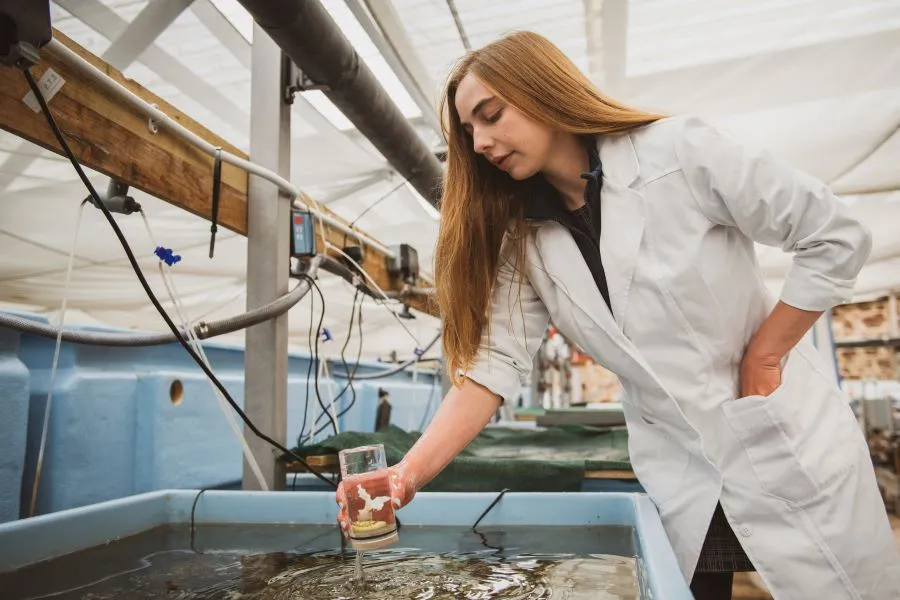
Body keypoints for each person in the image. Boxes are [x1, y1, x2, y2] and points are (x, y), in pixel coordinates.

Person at [336, 31, 900, 599]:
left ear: (543, 91)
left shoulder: (678, 152)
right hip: (682, 469)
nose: (480, 142)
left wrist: (767, 352)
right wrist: (405, 476)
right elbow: (492, 367)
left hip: (777, 433)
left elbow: (833, 235)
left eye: (490, 115)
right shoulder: (524, 240)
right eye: (468, 132)